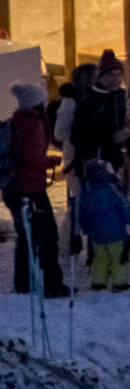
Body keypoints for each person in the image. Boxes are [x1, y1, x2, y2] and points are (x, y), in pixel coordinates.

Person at [6, 81, 68, 298]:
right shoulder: (34, 125)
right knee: (48, 236)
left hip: (14, 188)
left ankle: (24, 283)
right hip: (30, 188)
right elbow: (32, 159)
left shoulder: (16, 122)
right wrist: (50, 161)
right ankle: (53, 283)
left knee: (26, 236)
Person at [76, 155, 130, 291]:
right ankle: (119, 283)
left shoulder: (87, 194)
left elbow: (83, 215)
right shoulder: (113, 192)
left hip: (97, 235)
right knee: (119, 258)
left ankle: (98, 282)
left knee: (100, 258)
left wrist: (86, 229)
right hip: (116, 233)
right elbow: (125, 208)